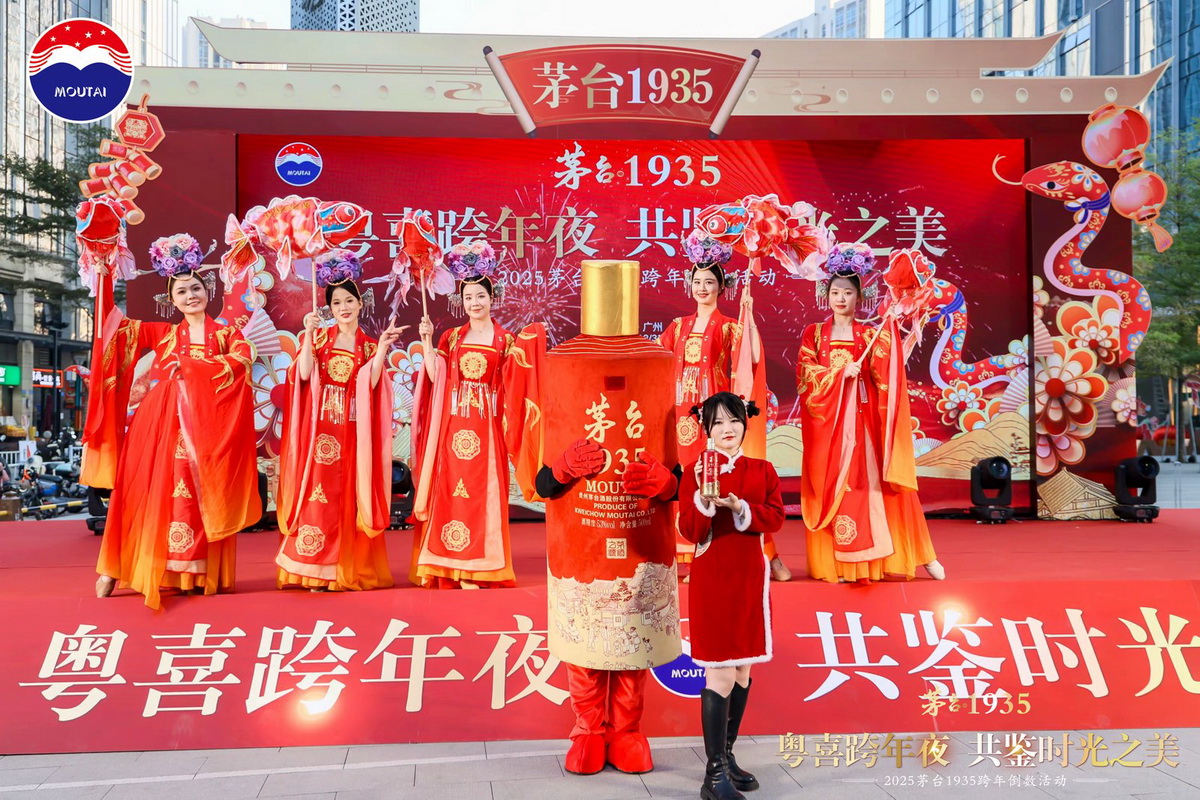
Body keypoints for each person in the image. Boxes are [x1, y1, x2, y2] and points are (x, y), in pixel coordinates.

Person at [87, 233, 261, 609]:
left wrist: (191, 369)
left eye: (195, 288)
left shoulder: (228, 335)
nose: (190, 296)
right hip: (159, 426)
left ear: (207, 291)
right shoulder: (162, 334)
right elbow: (112, 327)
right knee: (144, 493)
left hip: (207, 429)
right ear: (172, 300)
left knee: (198, 495)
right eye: (181, 292)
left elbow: (243, 360)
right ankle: (116, 567)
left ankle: (194, 572)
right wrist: (104, 278)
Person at [796, 242, 945, 583]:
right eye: (835, 292)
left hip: (862, 425)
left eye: (848, 293)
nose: (841, 299)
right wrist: (838, 374)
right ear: (826, 294)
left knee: (876, 487)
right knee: (836, 489)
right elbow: (805, 374)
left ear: (859, 296)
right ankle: (842, 563)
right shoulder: (814, 334)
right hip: (830, 427)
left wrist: (889, 329)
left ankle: (917, 554)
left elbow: (884, 373)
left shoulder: (868, 333)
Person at [660, 232, 791, 582]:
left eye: (709, 282)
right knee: (688, 484)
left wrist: (748, 313)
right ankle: (690, 555)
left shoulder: (730, 326)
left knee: (724, 482)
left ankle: (768, 555)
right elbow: (657, 363)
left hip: (715, 419)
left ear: (721, 287)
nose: (702, 288)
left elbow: (752, 358)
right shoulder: (677, 327)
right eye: (697, 282)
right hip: (680, 418)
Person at [275, 249, 404, 591]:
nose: (343, 308)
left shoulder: (368, 346)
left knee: (347, 495)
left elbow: (371, 383)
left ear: (361, 303)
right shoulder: (319, 339)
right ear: (329, 309)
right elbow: (303, 375)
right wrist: (306, 336)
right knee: (317, 494)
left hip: (352, 431)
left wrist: (382, 350)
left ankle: (342, 569)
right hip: (321, 431)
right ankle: (314, 567)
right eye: (336, 303)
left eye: (349, 301)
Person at [678, 392, 785, 800]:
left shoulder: (762, 469)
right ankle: (714, 774)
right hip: (713, 579)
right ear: (706, 429)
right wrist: (703, 500)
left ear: (745, 424)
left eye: (734, 420)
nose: (727, 429)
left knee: (742, 670)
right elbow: (689, 531)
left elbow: (776, 516)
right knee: (720, 671)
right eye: (718, 422)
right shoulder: (695, 472)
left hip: (750, 579)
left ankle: (727, 754)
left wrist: (740, 506)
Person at [411, 240, 517, 588]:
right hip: (454, 427)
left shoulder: (506, 340)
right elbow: (435, 376)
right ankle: (451, 566)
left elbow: (514, 386)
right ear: (461, 300)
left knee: (482, 495)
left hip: (488, 429)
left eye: (481, 296)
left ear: (492, 298)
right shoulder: (452, 337)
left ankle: (479, 567)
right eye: (469, 297)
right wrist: (427, 342)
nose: (475, 303)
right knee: (451, 495)